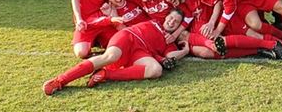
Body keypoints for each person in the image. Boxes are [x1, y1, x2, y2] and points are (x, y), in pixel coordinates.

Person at [43, 9, 189, 95]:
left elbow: (171, 56)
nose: (171, 22)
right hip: (128, 37)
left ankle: (106, 74)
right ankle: (60, 81)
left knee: (155, 70)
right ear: (166, 17)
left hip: (140, 52)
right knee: (110, 56)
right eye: (170, 18)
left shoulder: (170, 42)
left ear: (178, 26)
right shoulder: (154, 21)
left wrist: (185, 50)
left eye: (175, 21)